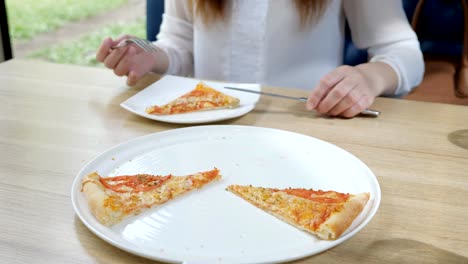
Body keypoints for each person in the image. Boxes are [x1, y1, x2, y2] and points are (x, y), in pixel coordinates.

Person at [96, 0, 424, 118]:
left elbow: (404, 51)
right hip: (201, 128)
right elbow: (178, 46)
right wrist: (148, 55)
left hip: (308, 131)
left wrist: (370, 77)